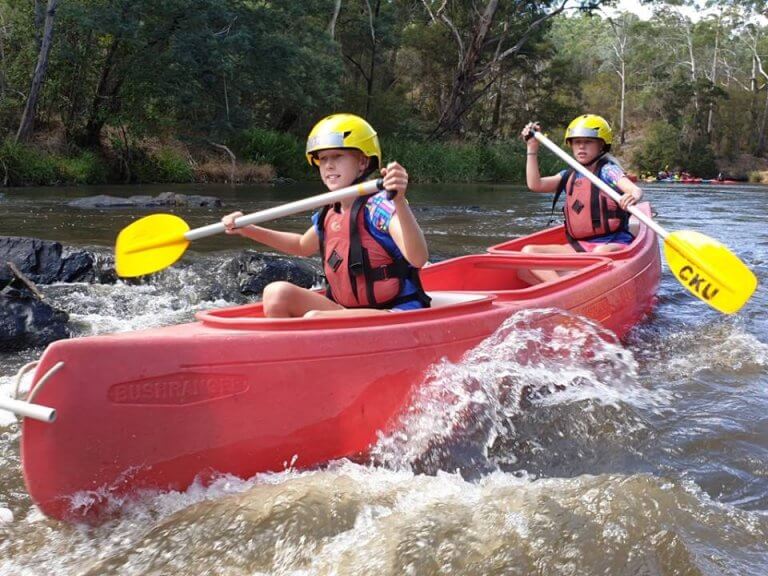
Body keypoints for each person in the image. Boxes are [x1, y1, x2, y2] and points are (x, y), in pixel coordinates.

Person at [222, 113, 430, 318]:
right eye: (323, 159)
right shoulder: (330, 210)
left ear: (363, 163)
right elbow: (302, 246)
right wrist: (248, 230)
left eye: (337, 156)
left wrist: (399, 200)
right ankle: (287, 349)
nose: (329, 165)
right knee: (275, 294)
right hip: (346, 312)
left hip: (395, 313)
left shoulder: (381, 206)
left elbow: (418, 258)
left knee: (315, 318)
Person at [520, 114, 643, 283]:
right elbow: (536, 185)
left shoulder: (607, 171)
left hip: (614, 243)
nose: (581, 147)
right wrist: (532, 147)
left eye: (588, 142)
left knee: (600, 253)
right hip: (581, 246)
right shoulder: (569, 175)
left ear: (601, 145)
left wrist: (632, 196)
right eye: (577, 142)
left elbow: (634, 189)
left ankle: (565, 284)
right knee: (529, 252)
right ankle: (558, 287)